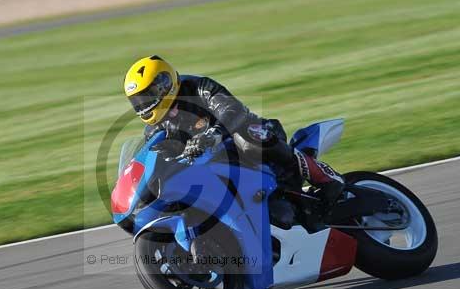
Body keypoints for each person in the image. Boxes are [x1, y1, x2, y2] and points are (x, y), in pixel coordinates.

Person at [123, 55, 344, 227]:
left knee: (249, 138)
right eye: (138, 101)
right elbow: (153, 159)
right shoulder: (155, 129)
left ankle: (325, 178)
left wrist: (213, 134)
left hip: (248, 139)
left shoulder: (198, 87)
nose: (144, 105)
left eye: (147, 96)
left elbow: (233, 110)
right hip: (215, 167)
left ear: (163, 84)